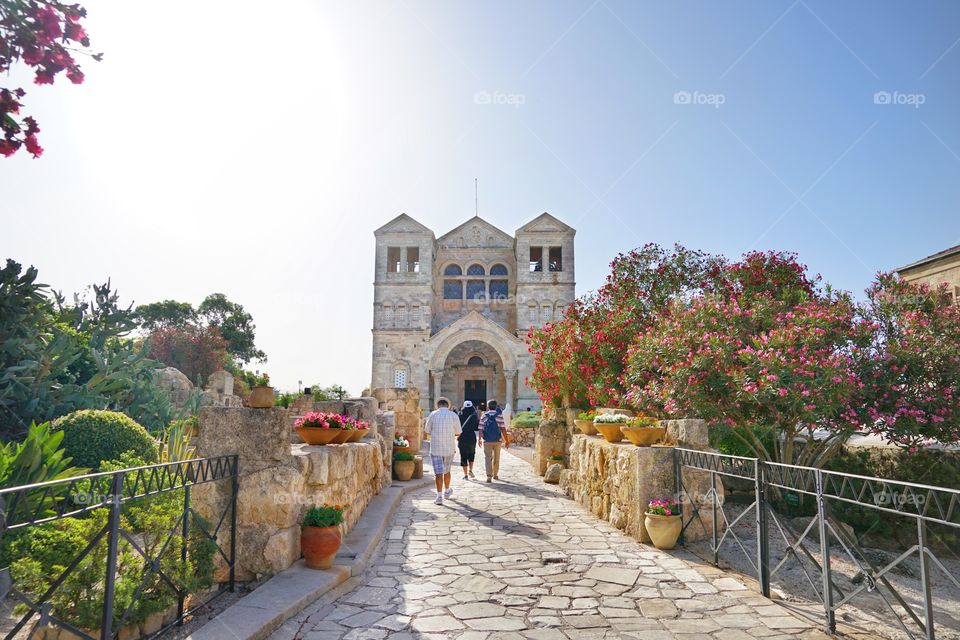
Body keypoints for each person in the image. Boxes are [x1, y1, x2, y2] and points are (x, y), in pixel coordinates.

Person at [423, 397, 461, 504]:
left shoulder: (432, 414)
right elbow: (458, 432)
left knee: (438, 473)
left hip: (436, 448)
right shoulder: (453, 415)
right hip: (449, 448)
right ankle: (447, 491)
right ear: (447, 405)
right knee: (447, 470)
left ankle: (439, 496)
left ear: (438, 405)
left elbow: (427, 431)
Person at [479, 399, 509, 482]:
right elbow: (503, 429)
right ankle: (495, 474)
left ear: (488, 407)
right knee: (496, 458)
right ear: (496, 407)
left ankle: (489, 476)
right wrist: (506, 440)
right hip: (497, 440)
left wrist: (479, 439)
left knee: (488, 458)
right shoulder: (499, 415)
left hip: (487, 440)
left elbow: (481, 428)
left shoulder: (484, 415)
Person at [457, 400, 480, 480]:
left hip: (462, 437)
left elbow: (457, 427)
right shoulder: (474, 415)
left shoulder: (460, 415)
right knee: (471, 454)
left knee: (463, 456)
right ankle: (471, 470)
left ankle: (465, 475)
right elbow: (477, 427)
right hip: (471, 437)